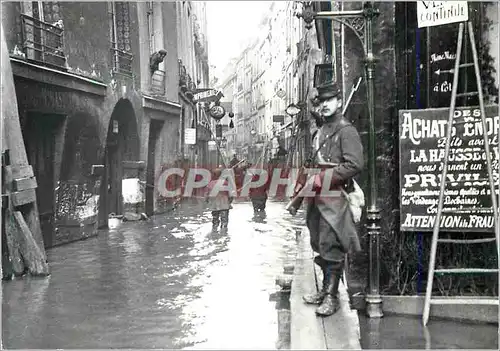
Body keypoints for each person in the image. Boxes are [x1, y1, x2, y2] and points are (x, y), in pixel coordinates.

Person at [288, 80, 364, 317]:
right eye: (322, 102)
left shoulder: (346, 131)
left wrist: (324, 179)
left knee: (332, 245)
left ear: (339, 102)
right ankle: (324, 290)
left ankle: (332, 297)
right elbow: (313, 164)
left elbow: (354, 164)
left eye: (330, 100)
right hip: (316, 197)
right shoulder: (320, 131)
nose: (325, 105)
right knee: (319, 243)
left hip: (335, 197)